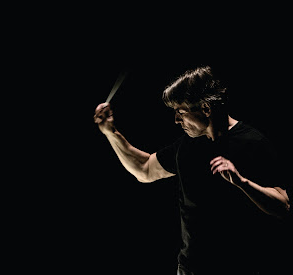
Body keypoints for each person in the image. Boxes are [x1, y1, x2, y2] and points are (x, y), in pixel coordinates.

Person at [93, 66, 291, 275]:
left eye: (181, 111)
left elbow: (283, 206)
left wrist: (242, 182)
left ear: (206, 108)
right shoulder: (188, 144)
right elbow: (144, 169)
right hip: (190, 268)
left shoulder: (253, 143)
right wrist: (110, 132)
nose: (176, 120)